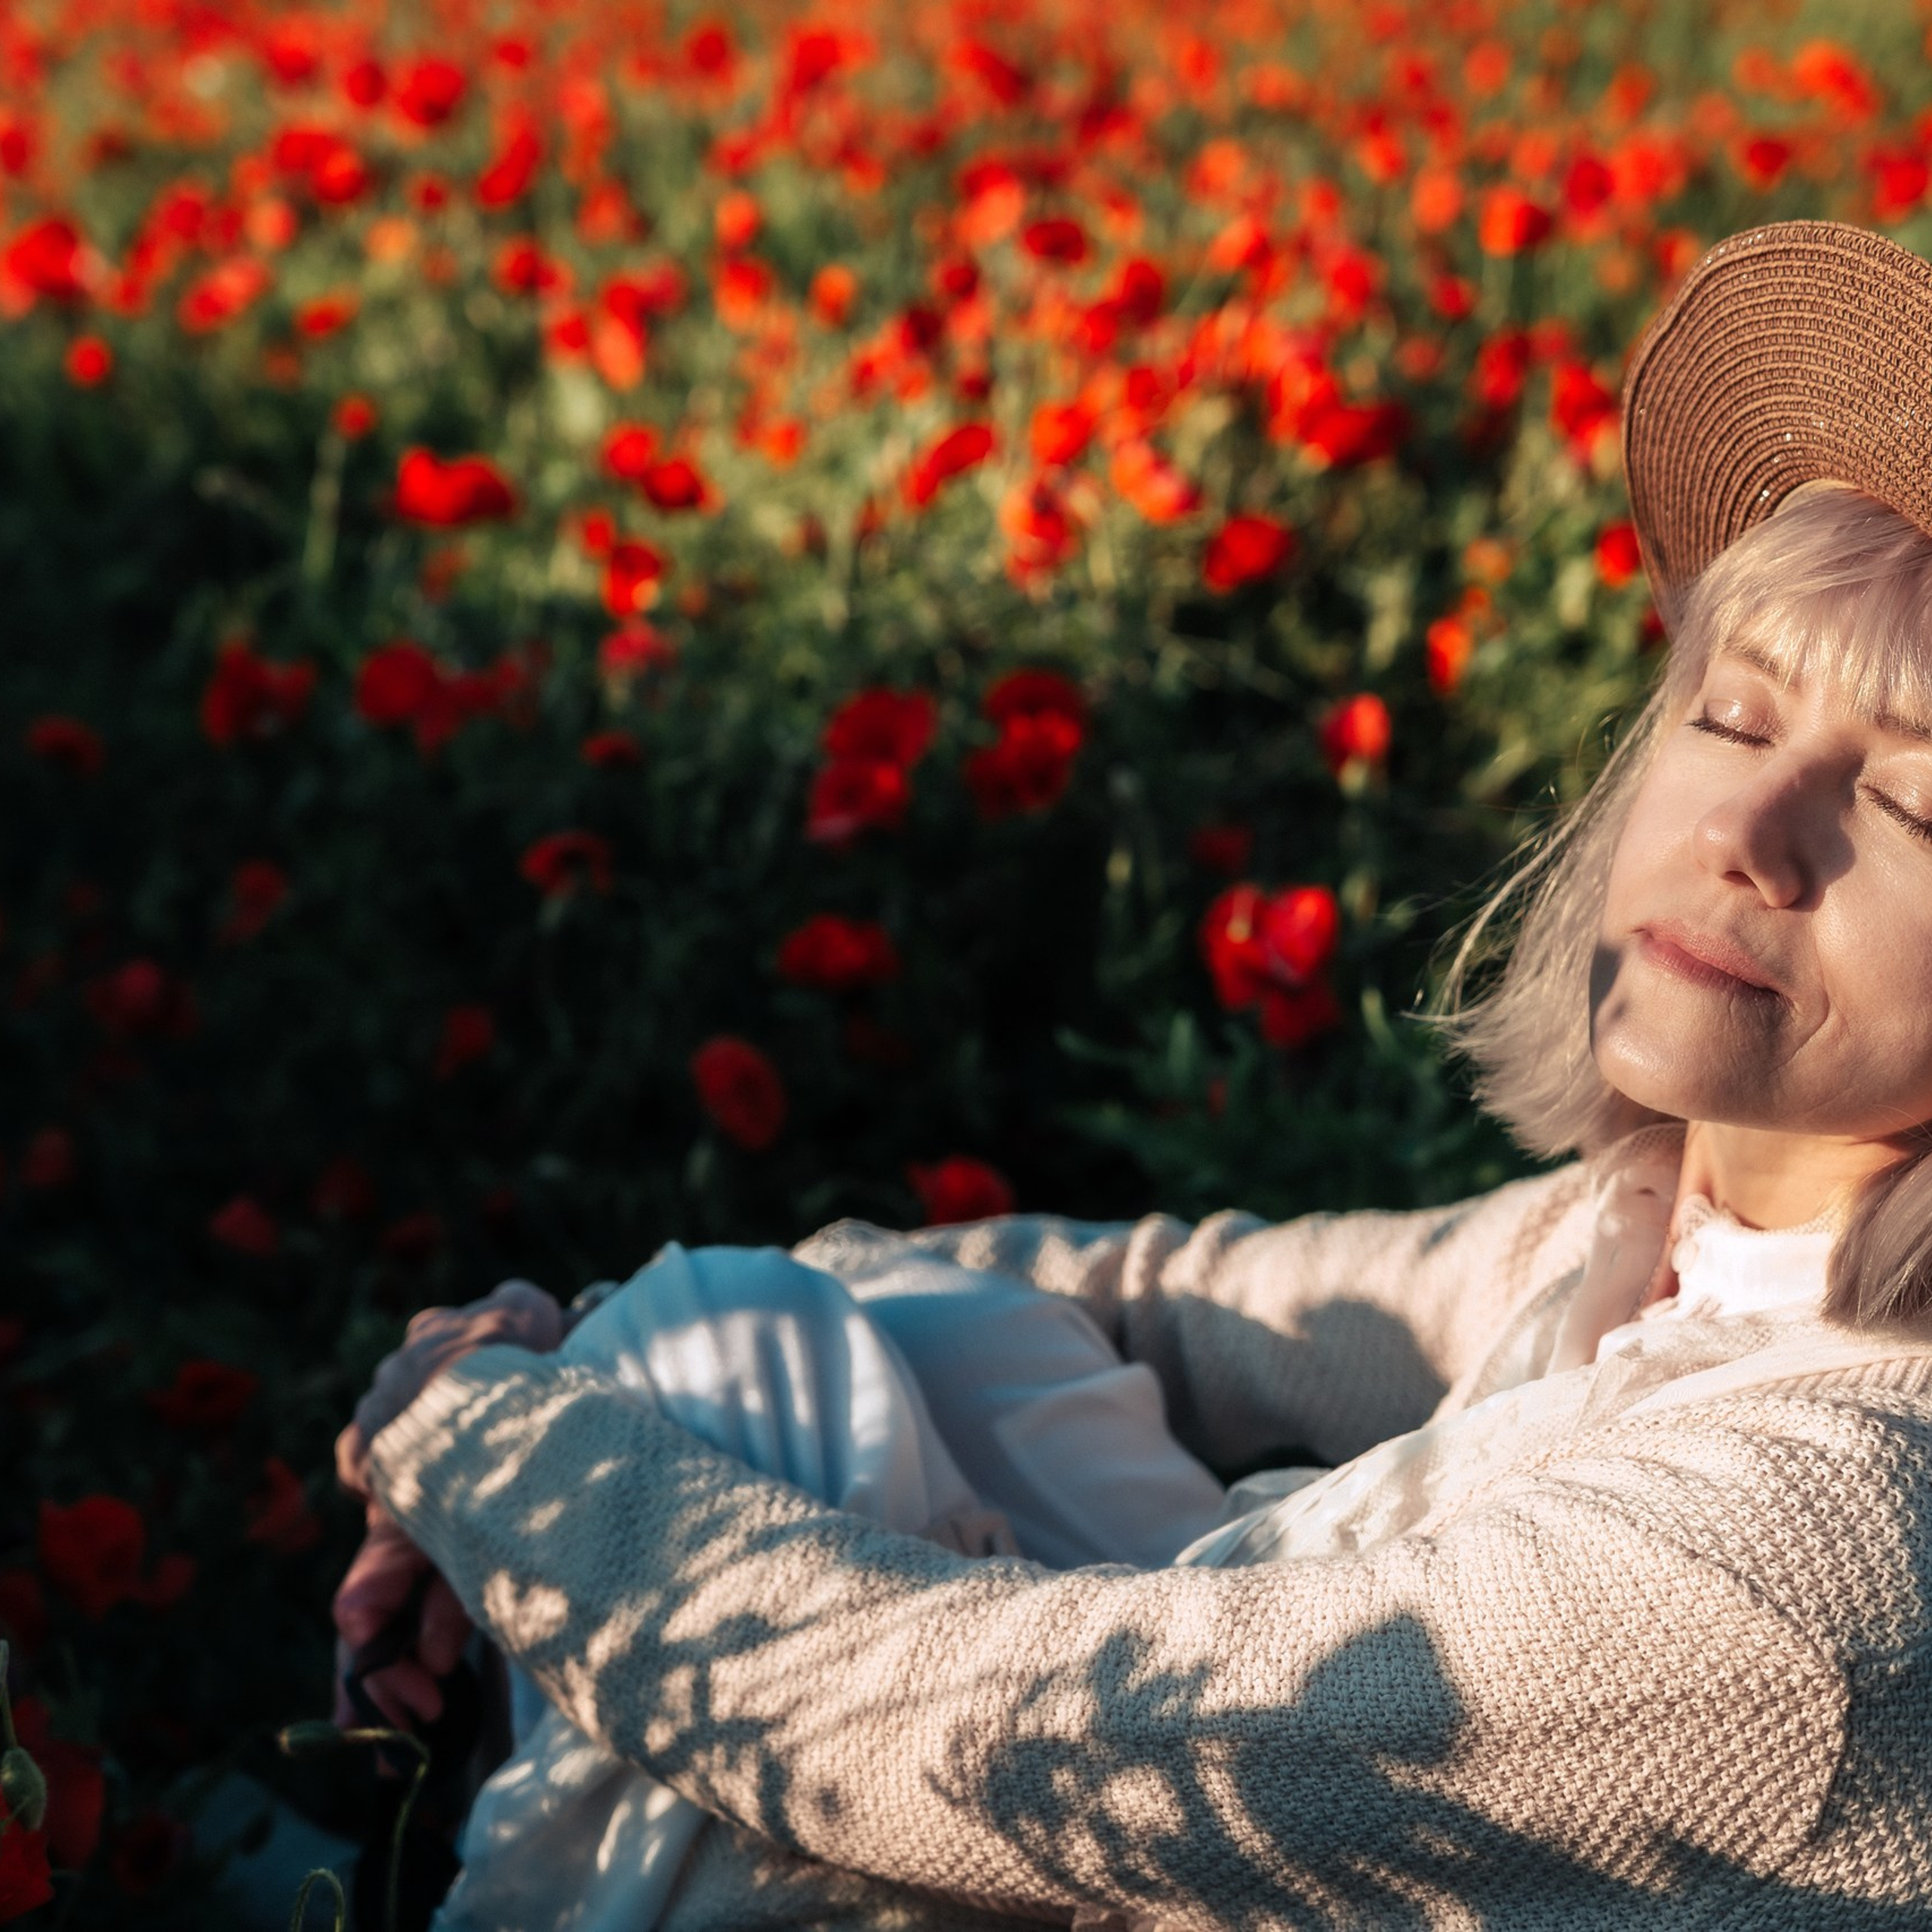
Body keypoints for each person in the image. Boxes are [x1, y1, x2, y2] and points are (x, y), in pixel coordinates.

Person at [333, 219, 1932, 1927]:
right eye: (1734, 717)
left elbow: (977, 1728)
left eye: (1912, 802)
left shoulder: (1808, 1555)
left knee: (727, 1419)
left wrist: (483, 1446)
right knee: (778, 1340)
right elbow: (1177, 1296)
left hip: (1057, 1744)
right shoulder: (1666, 1230)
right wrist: (578, 1359)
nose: (1747, 836)